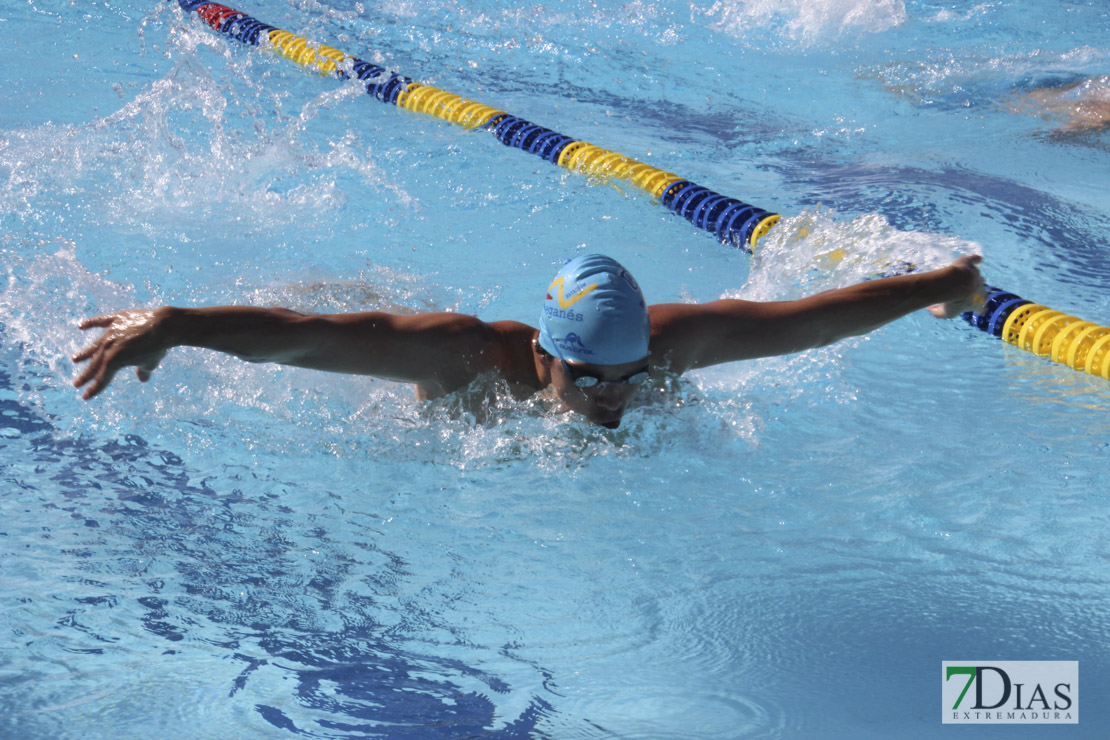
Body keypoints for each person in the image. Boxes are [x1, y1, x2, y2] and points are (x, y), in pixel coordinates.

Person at [73, 253, 986, 429]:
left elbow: (819, 320)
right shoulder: (469, 357)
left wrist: (947, 286)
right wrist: (182, 326)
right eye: (592, 378)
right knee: (349, 306)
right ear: (546, 357)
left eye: (629, 374)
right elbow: (310, 340)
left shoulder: (672, 346)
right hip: (418, 389)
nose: (616, 397)